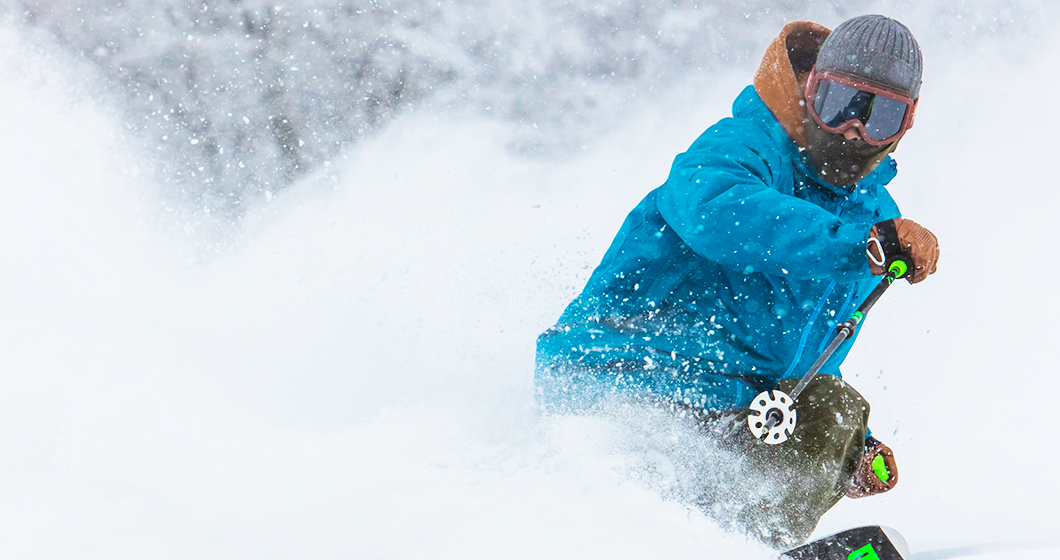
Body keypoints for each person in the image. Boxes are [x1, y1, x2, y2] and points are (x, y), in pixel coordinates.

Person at [535, 15, 940, 548]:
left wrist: (852, 452)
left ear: (905, 126)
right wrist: (854, 244)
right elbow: (719, 213)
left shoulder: (872, 217)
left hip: (725, 404)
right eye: (839, 103)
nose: (853, 129)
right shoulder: (743, 147)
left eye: (880, 116)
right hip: (629, 376)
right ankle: (724, 545)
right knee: (823, 423)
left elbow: (807, 347)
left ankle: (740, 543)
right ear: (811, 88)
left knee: (836, 413)